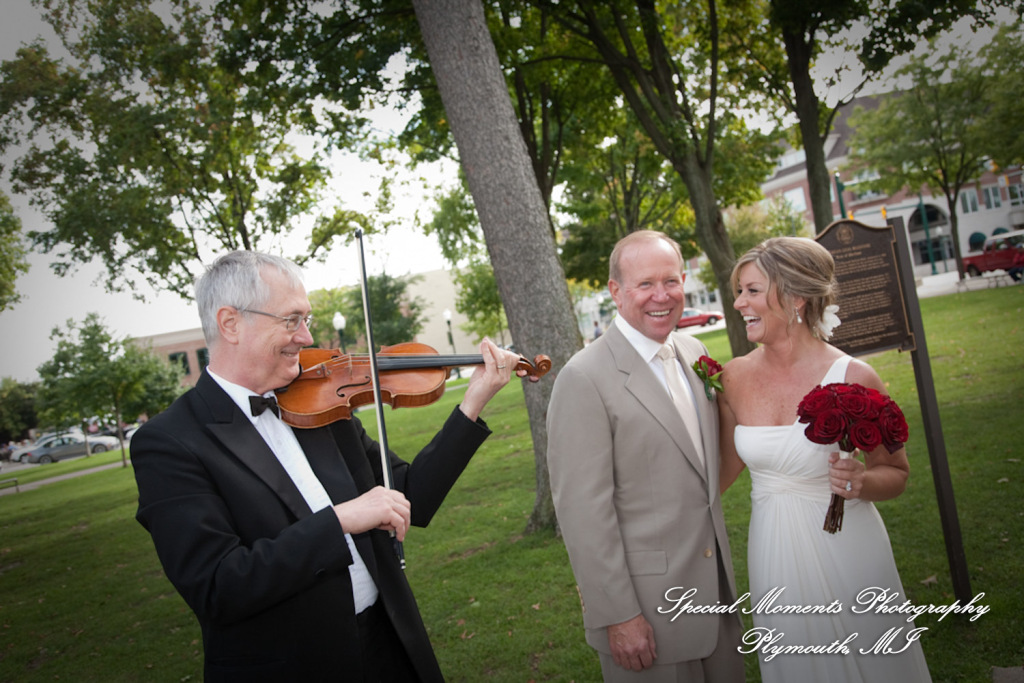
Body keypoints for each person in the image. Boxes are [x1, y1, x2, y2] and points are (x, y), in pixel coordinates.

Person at [131, 250, 523, 682]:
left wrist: (473, 403)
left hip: (388, 645)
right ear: (230, 323)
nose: (306, 336)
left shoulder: (320, 403)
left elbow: (411, 496)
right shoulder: (168, 443)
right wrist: (338, 520)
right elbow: (220, 584)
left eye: (307, 319)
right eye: (290, 320)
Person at [719, 237, 931, 682]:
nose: (738, 303)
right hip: (772, 549)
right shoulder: (733, 377)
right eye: (739, 290)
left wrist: (862, 481)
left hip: (846, 546)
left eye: (752, 290)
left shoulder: (854, 377)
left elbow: (896, 472)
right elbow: (718, 475)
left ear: (796, 296)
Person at [548, 231, 744, 682]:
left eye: (671, 281)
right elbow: (583, 514)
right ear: (615, 291)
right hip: (648, 615)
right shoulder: (584, 378)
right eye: (645, 285)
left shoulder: (694, 353)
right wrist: (618, 616)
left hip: (715, 596)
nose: (662, 296)